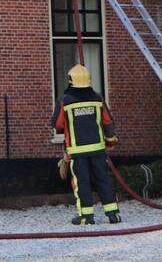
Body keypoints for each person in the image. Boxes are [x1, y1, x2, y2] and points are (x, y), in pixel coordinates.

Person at [52, 64, 122, 224]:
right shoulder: (97, 98)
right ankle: (113, 215)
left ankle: (86, 217)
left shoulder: (64, 100)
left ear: (70, 80)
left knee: (82, 183)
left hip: (77, 151)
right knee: (103, 180)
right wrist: (111, 141)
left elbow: (57, 125)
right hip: (98, 149)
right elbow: (108, 122)